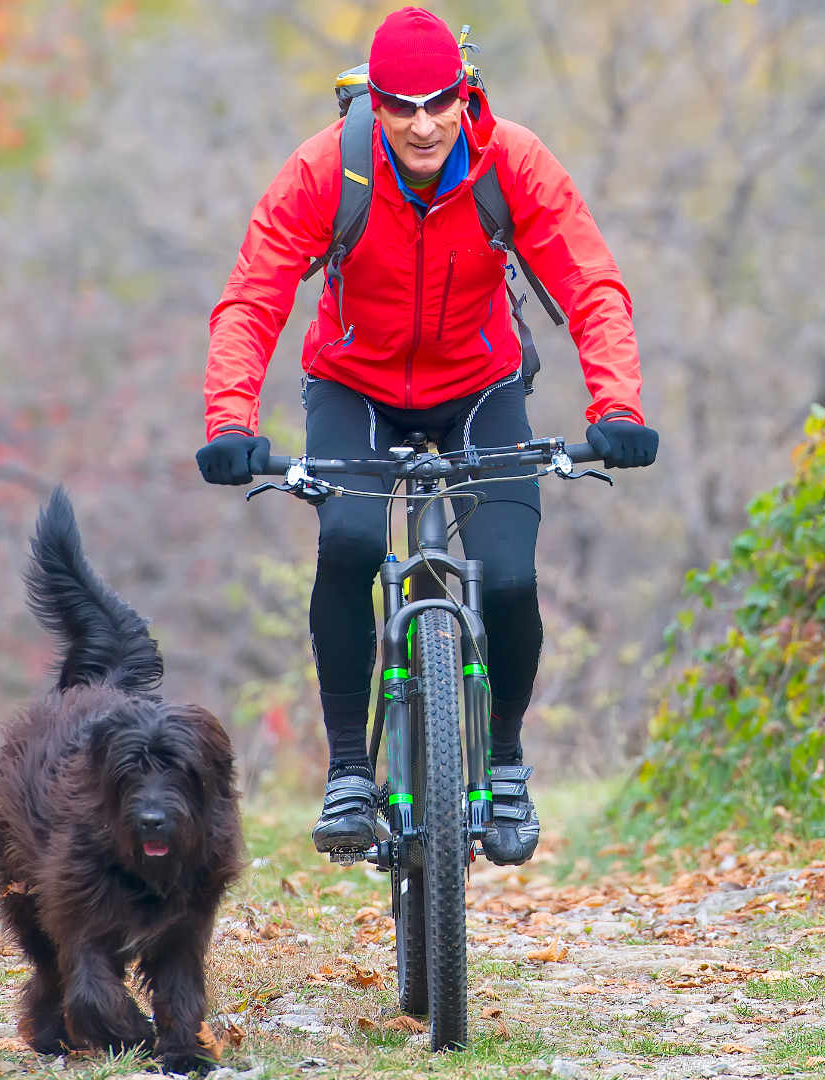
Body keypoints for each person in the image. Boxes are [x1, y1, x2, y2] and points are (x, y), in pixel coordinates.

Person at [194, 6, 656, 865]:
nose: (421, 122)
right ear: (374, 102)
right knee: (353, 542)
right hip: (354, 387)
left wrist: (617, 408)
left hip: (481, 386)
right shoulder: (327, 171)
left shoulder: (509, 161)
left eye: (438, 101)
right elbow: (252, 298)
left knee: (511, 575)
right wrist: (231, 421)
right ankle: (346, 771)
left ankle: (507, 762)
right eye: (400, 105)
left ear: (464, 93)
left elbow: (591, 283)